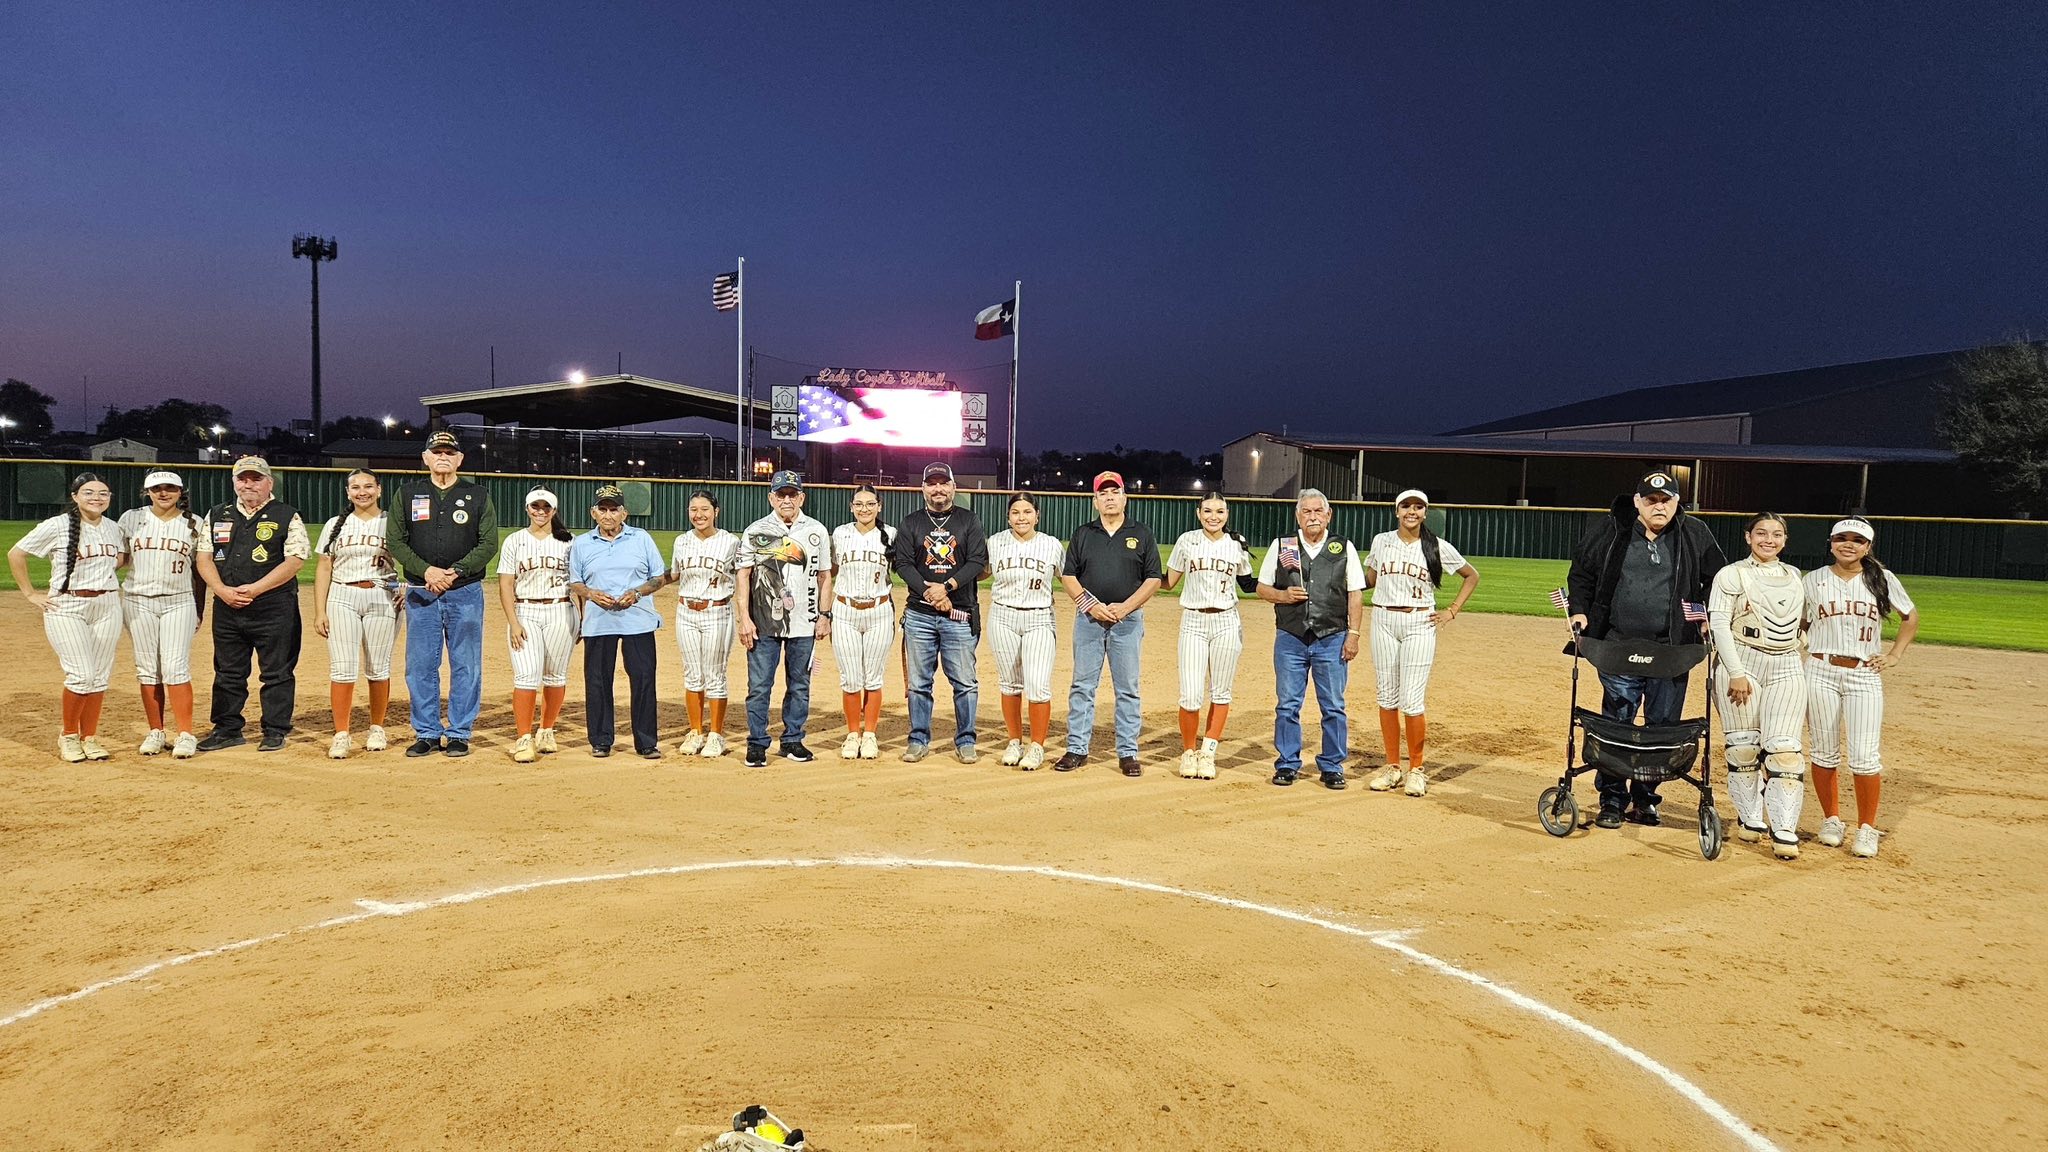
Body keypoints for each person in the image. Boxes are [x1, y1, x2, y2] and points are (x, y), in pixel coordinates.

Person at [1564, 469, 1726, 828]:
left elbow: (1719, 578)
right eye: (1650, 500)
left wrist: (1706, 615)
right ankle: (1611, 799)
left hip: (1672, 649)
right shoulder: (1611, 528)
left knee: (1662, 727)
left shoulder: (1694, 533)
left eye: (1665, 500)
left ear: (1676, 502)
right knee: (1616, 724)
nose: (1659, 506)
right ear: (1637, 501)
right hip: (1618, 645)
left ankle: (1646, 799)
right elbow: (1582, 573)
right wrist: (1579, 609)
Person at [1803, 518, 1920, 859]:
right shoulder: (1813, 580)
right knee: (1823, 751)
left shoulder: (1881, 579)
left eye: (1857, 540)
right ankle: (1831, 820)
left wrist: (1896, 654)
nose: (1848, 545)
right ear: (1831, 543)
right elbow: (1801, 621)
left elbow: (1910, 616)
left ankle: (1867, 827)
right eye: (1841, 538)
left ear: (1868, 547)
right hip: (1820, 670)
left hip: (1863, 673)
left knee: (1865, 756)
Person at [1362, 489, 1480, 797]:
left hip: (1419, 622)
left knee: (1412, 700)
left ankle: (1416, 768)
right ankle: (1391, 766)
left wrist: (1452, 610)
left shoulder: (1437, 546)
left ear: (1425, 513)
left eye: (1418, 507)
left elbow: (1471, 576)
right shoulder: (1381, 541)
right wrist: (1336, 585)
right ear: (1396, 511)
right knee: (1386, 696)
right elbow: (1371, 580)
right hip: (1384, 620)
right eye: (1406, 506)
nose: (1411, 511)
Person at [386, 431, 496, 758]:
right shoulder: (407, 493)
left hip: (465, 591)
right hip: (421, 592)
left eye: (450, 452)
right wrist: (427, 571)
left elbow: (488, 543)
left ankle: (460, 731)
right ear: (426, 458)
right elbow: (396, 541)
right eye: (437, 452)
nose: (443, 456)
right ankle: (428, 732)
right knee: (420, 665)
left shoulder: (477, 494)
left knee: (466, 664)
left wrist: (457, 571)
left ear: (460, 459)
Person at [1707, 512, 1806, 859]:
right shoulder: (1731, 574)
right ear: (1748, 536)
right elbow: (1719, 622)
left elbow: (1802, 623)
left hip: (1786, 664)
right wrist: (1735, 671)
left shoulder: (1795, 575)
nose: (1769, 539)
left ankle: (1784, 828)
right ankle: (1750, 819)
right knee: (1743, 749)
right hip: (1742, 662)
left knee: (1785, 752)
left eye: (1777, 534)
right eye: (1761, 533)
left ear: (1785, 539)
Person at [195, 456, 311, 753]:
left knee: (276, 671)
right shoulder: (218, 514)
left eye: (255, 478)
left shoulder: (287, 515)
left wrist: (256, 589)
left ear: (269, 482)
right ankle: (227, 728)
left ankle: (274, 729)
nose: (248, 484)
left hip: (274, 607)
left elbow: (295, 560)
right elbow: (204, 558)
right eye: (242, 478)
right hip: (227, 606)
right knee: (228, 671)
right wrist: (220, 590)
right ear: (234, 482)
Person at [9, 472, 126, 762]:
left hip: (108, 604)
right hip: (68, 606)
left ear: (110, 498)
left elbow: (120, 559)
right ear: (75, 497)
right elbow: (16, 554)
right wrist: (30, 594)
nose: (96, 498)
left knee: (99, 677)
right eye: (88, 492)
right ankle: (69, 735)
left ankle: (89, 737)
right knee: (81, 674)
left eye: (102, 493)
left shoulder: (112, 527)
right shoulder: (57, 525)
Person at [1255, 488, 1365, 789]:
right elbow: (1261, 588)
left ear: (1328, 515)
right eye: (1307, 511)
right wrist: (1282, 594)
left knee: (1333, 705)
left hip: (1332, 636)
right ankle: (1288, 763)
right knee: (1287, 704)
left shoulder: (1343, 547)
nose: (1313, 516)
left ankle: (1332, 765)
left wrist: (1353, 635)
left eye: (1318, 511)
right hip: (1291, 636)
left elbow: (1355, 594)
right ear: (1298, 515)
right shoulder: (1284, 545)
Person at [1055, 470, 1162, 777]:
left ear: (1125, 497)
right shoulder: (1084, 533)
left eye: (1115, 492)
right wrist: (1092, 605)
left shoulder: (1141, 533)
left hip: (1127, 622)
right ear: (1095, 500)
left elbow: (1153, 579)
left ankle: (1128, 752)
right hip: (1089, 619)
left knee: (1127, 688)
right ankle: (1077, 748)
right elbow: (1068, 576)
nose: (1110, 497)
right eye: (1104, 493)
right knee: (1082, 686)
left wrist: (1125, 607)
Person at [735, 470, 833, 767]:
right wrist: (743, 618)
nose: (787, 500)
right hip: (763, 622)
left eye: (792, 494)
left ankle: (792, 739)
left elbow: (825, 576)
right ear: (771, 498)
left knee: (800, 684)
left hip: (804, 620)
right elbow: (743, 576)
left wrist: (825, 615)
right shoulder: (756, 530)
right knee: (760, 686)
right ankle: (757, 743)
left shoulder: (816, 530)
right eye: (781, 494)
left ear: (802, 497)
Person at [893, 462, 988, 764]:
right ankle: (918, 739)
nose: (938, 489)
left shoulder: (968, 520)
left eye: (943, 483)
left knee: (964, 682)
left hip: (959, 613)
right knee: (919, 683)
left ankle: (966, 740)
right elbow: (903, 564)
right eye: (931, 483)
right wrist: (929, 591)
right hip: (920, 615)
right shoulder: (911, 523)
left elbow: (976, 561)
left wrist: (945, 587)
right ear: (923, 488)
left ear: (953, 487)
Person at [568, 484, 667, 759]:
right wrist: (589, 593)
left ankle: (646, 741)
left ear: (624, 513)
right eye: (603, 509)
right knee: (598, 680)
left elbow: (658, 577)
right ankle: (601, 739)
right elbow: (574, 580)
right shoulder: (582, 543)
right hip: (599, 621)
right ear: (593, 512)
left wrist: (637, 593)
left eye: (614, 509)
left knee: (644, 679)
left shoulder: (641, 538)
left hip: (638, 620)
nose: (608, 515)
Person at [1162, 494, 1257, 780]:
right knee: (1190, 695)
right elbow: (1168, 583)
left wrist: (1284, 583)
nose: (1213, 516)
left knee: (1221, 691)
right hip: (1193, 620)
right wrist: (1135, 575)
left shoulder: (1237, 544)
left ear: (1227, 513)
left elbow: (1249, 584)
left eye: (1219, 511)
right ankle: (1188, 752)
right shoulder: (1186, 541)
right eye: (1207, 511)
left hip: (1227, 621)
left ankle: (1208, 752)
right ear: (1198, 512)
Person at [117, 471, 204, 759]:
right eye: (156, 488)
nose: (163, 493)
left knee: (176, 667)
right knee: (147, 668)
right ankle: (156, 731)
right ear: (147, 491)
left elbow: (199, 572)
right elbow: (119, 557)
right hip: (137, 600)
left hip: (179, 602)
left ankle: (186, 734)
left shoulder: (194, 524)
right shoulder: (131, 518)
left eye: (170, 488)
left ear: (181, 492)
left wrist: (199, 609)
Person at [313, 468, 398, 760]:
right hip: (342, 595)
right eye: (355, 487)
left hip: (382, 596)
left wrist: (403, 588)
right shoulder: (335, 524)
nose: (362, 492)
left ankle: (377, 728)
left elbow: (407, 562)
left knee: (378, 667)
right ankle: (341, 733)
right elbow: (324, 567)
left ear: (379, 489)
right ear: (347, 492)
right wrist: (320, 610)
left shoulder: (392, 522)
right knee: (342, 668)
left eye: (368, 486)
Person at [985, 493, 1064, 770]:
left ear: (1037, 515)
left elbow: (1069, 578)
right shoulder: (994, 543)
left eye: (1027, 512)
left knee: (1038, 685)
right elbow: (979, 571)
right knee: (1009, 683)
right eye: (1016, 512)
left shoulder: (1051, 545)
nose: (1021, 517)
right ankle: (1014, 741)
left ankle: (1037, 745)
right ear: (1008, 517)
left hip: (1039, 617)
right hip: (1003, 616)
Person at [498, 488, 576, 763]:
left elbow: (579, 584)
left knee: (556, 676)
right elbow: (506, 583)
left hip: (561, 610)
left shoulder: (569, 542)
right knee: (526, 675)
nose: (540, 511)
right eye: (535, 506)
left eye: (546, 507)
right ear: (527, 508)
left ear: (554, 510)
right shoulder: (515, 541)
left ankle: (546, 730)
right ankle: (523, 738)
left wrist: (583, 619)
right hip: (525, 610)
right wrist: (513, 621)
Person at [669, 490, 741, 758]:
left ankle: (716, 735)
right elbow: (675, 574)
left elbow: (744, 576)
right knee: (692, 673)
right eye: (693, 509)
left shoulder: (730, 542)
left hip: (717, 611)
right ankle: (696, 731)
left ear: (716, 512)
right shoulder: (681, 541)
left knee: (715, 674)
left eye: (704, 509)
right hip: (685, 611)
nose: (698, 515)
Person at [832, 484, 897, 760]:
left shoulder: (891, 534)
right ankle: (852, 734)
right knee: (850, 677)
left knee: (873, 676)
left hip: (879, 610)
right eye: (859, 504)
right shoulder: (840, 534)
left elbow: (903, 567)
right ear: (851, 507)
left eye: (870, 504)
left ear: (879, 506)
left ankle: (869, 734)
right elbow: (829, 571)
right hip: (845, 610)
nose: (864, 509)